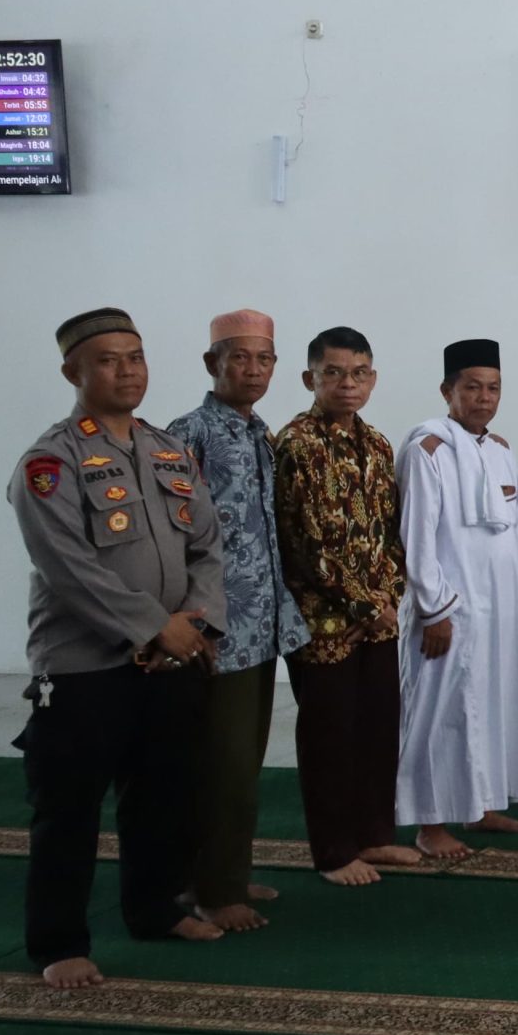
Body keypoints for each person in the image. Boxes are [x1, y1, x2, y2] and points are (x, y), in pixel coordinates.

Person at [12, 308, 227, 988]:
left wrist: (196, 622)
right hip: (86, 667)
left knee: (165, 794)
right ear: (73, 370)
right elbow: (66, 564)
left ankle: (155, 908)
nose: (126, 369)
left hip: (173, 657)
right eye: (107, 359)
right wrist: (153, 625)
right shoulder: (51, 461)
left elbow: (208, 545)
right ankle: (58, 941)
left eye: (134, 356)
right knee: (69, 808)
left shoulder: (168, 449)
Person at [167, 309, 308, 933]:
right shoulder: (187, 433)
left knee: (243, 763)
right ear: (211, 364)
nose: (253, 370)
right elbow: (172, 539)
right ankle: (210, 891)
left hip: (260, 626)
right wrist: (190, 620)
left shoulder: (259, 432)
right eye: (239, 357)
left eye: (264, 359)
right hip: (215, 629)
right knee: (218, 765)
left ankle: (224, 872)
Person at [275, 326, 419, 886]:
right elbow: (309, 544)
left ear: (373, 379)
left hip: (378, 620)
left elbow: (392, 531)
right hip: (325, 624)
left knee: (378, 730)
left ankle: (375, 836)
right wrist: (365, 607)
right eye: (333, 372)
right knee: (329, 739)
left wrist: (388, 599)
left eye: (358, 373)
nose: (346, 383)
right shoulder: (297, 444)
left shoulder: (378, 444)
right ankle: (334, 852)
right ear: (309, 377)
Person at [396, 340, 518, 860]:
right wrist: (433, 608)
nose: (484, 398)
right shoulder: (427, 449)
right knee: (442, 711)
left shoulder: (500, 449)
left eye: (493, 387)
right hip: (451, 609)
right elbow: (417, 536)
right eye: (472, 387)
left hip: (501, 607)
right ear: (447, 391)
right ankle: (430, 824)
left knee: (493, 705)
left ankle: (480, 805)